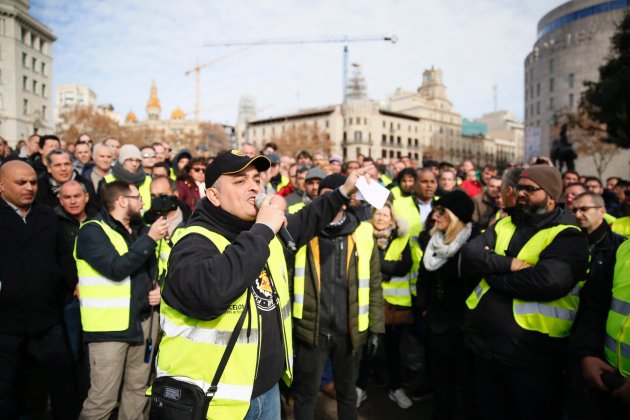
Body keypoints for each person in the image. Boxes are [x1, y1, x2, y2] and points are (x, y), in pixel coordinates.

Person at [153, 150, 369, 419]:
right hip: (215, 402)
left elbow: (308, 217)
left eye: (256, 179)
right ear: (214, 196)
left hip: (267, 392)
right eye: (240, 181)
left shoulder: (262, 229)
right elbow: (209, 294)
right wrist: (263, 230)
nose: (254, 186)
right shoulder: (195, 241)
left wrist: (343, 190)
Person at [462, 165, 589, 420]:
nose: (521, 193)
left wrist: (493, 277)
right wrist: (506, 265)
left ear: (551, 196)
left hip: (532, 357)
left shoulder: (568, 236)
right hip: (485, 348)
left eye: (529, 189)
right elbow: (471, 255)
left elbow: (548, 281)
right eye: (519, 187)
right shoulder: (505, 223)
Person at [291, 173, 385, 419]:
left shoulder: (363, 233)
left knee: (347, 394)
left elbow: (374, 284)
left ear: (344, 200)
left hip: (349, 333)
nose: (327, 203)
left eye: (333, 196)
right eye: (323, 197)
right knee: (304, 394)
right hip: (311, 331)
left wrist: (376, 328)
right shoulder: (302, 232)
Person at [75, 180, 167, 420]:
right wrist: (150, 239)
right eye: (138, 197)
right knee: (102, 400)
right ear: (122, 201)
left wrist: (158, 289)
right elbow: (116, 268)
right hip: (109, 331)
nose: (143, 201)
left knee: (138, 393)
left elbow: (152, 269)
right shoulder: (91, 231)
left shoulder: (139, 229)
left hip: (143, 323)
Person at [0, 160, 79, 419]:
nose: (29, 188)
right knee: (6, 384)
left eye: (33, 182)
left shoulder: (47, 215)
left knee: (61, 378)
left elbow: (63, 257)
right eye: (21, 182)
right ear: (1, 185)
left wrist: (71, 285)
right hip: (5, 322)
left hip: (47, 317)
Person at [417, 190, 475, 420]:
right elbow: (424, 277)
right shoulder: (432, 241)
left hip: (464, 327)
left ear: (456, 216)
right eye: (435, 211)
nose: (435, 217)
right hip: (437, 323)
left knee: (464, 383)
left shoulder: (473, 245)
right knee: (441, 382)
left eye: (441, 212)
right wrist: (424, 305)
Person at [568, 192, 626, 419]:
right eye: (575, 210)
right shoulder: (570, 241)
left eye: (584, 209)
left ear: (602, 211)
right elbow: (597, 305)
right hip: (585, 345)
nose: (578, 214)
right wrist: (587, 352)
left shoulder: (616, 246)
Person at [356, 201, 413, 409]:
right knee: (369, 349)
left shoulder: (401, 237)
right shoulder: (363, 235)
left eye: (385, 215)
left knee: (394, 351)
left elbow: (403, 267)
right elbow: (365, 262)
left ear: (392, 218)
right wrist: (387, 267)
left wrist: (381, 267)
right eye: (377, 214)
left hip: (395, 307)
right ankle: (360, 388)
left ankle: (396, 388)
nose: (381, 218)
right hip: (370, 303)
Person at [35, 148, 99, 213]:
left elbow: (94, 211)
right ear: (49, 168)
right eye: (58, 165)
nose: (63, 168)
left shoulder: (85, 184)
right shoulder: (39, 186)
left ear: (72, 166)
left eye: (67, 164)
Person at [102, 144, 152, 212]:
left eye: (137, 161)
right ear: (122, 161)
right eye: (130, 160)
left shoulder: (148, 180)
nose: (134, 164)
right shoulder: (107, 180)